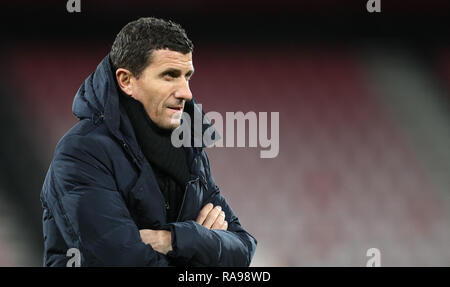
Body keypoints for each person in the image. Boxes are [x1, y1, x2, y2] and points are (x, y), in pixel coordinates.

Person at [40, 17, 257, 267]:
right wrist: (203, 249)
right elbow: (121, 262)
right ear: (126, 81)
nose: (186, 92)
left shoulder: (190, 151)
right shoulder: (82, 153)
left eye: (187, 76)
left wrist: (175, 238)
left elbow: (242, 248)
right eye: (170, 75)